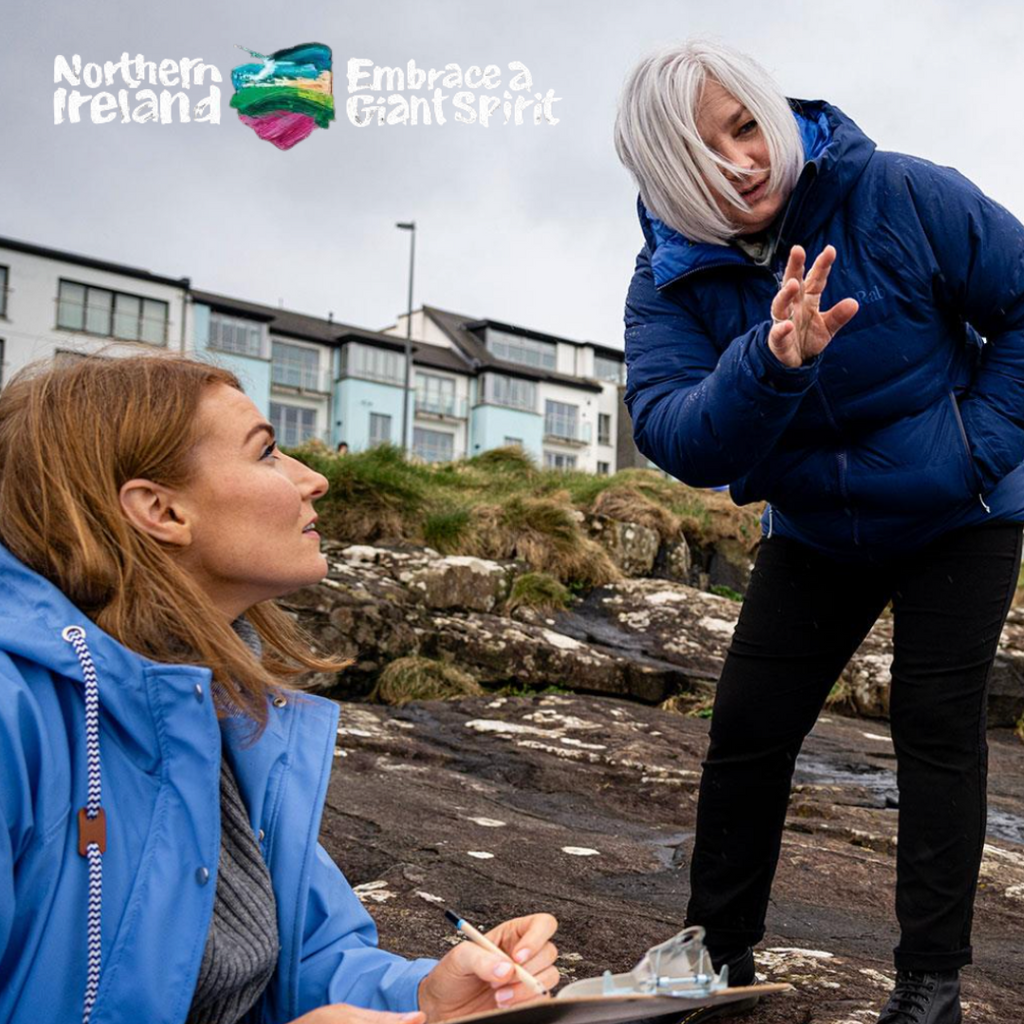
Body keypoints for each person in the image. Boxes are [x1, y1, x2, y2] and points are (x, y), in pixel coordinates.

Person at [614, 40, 1024, 1024]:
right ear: (667, 171)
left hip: (960, 509)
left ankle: (929, 987)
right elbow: (675, 432)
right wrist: (768, 363)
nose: (739, 162)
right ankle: (715, 959)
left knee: (935, 726)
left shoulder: (902, 193)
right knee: (749, 725)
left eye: (745, 127)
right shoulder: (669, 276)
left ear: (772, 112)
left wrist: (976, 449)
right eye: (703, 152)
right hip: (815, 523)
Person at [0, 354, 559, 1024]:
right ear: (160, 509)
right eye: (266, 452)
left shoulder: (217, 702)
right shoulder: (14, 715)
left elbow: (302, 957)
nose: (314, 479)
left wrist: (423, 997)